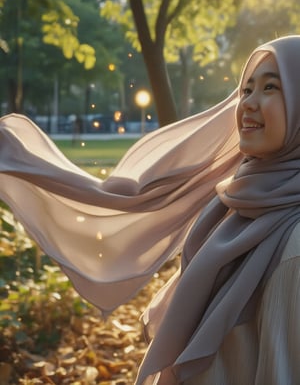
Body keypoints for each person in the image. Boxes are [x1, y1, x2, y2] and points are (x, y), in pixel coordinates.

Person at [0, 35, 300, 385]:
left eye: (270, 88)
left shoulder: (292, 241)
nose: (248, 103)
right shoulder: (233, 205)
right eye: (246, 89)